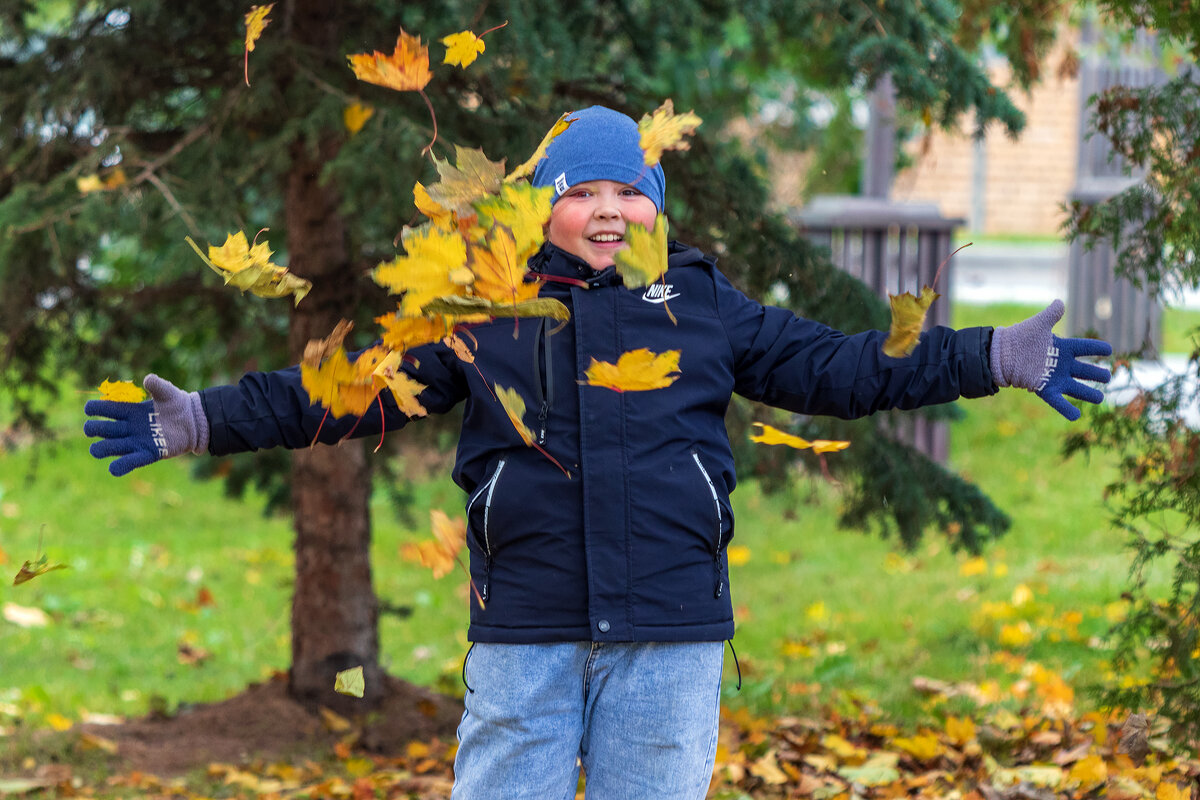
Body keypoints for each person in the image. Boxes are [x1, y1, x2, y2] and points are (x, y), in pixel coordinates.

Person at [84, 105, 1113, 799]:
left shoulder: (703, 307)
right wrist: (206, 418)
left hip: (670, 636)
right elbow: (354, 394)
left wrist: (988, 354)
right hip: (526, 630)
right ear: (548, 203)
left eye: (631, 194)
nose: (610, 210)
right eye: (585, 192)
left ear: (654, 206)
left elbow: (847, 370)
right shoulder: (485, 316)